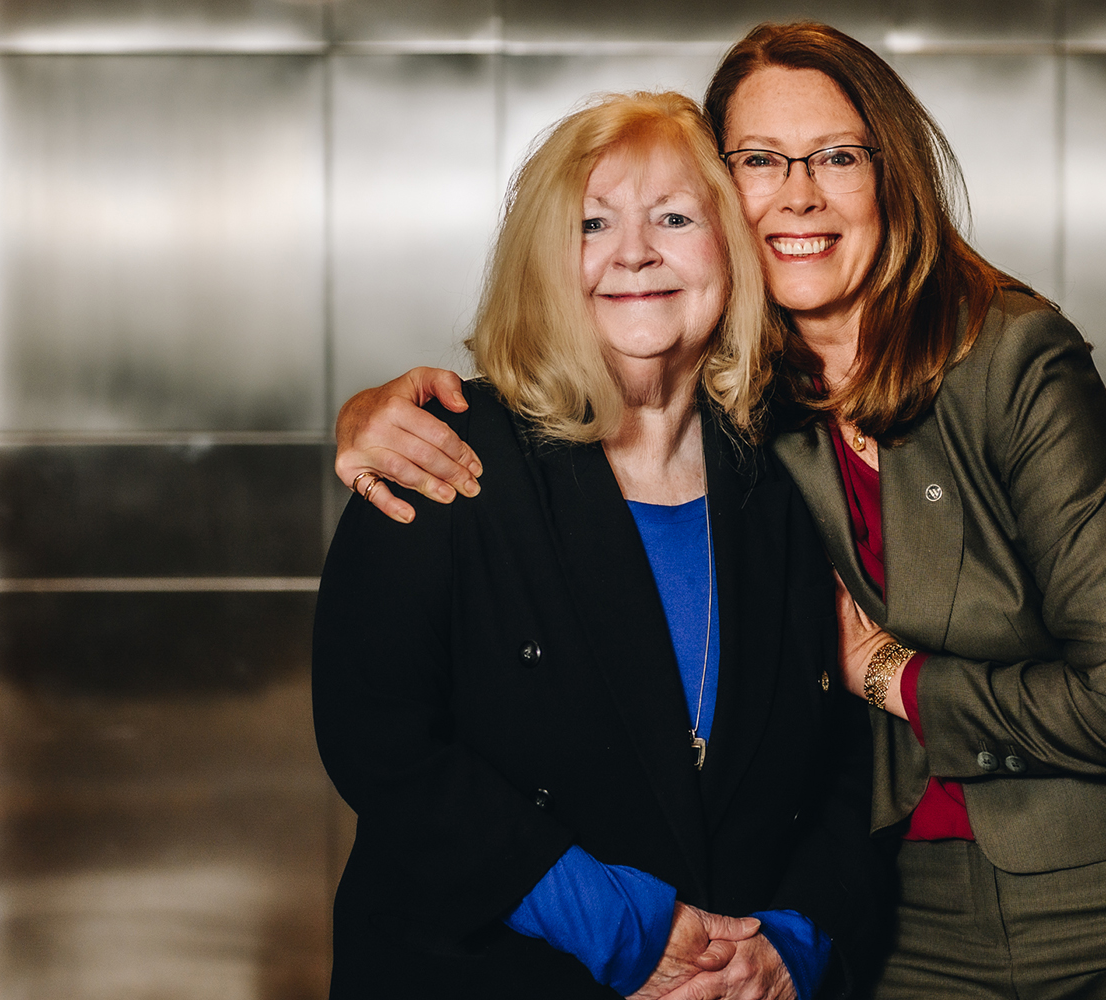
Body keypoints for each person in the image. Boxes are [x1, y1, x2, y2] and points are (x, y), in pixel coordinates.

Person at [332, 22, 1106, 1000]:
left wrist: (886, 675)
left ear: (892, 177)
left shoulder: (1006, 362)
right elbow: (388, 725)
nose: (797, 194)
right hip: (916, 907)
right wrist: (371, 411)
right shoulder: (748, 414)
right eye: (758, 160)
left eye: (836, 156)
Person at [312, 90, 885, 1000]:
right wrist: (619, 927)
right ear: (546, 262)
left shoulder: (787, 478)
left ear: (728, 252)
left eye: (674, 217)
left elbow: (852, 759)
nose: (635, 253)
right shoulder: (444, 451)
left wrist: (795, 944)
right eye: (593, 223)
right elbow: (377, 739)